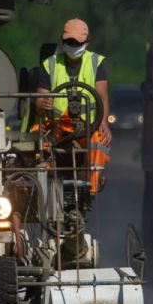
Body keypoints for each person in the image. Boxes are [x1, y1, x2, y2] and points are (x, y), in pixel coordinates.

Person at [34, 18, 111, 193]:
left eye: (77, 42)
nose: (73, 45)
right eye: (69, 41)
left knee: (100, 141)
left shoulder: (97, 62)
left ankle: (91, 186)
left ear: (87, 42)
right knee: (39, 144)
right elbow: (39, 101)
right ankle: (43, 187)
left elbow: (102, 97)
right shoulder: (50, 64)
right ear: (62, 41)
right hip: (57, 126)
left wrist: (104, 122)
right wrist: (42, 103)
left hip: (88, 127)